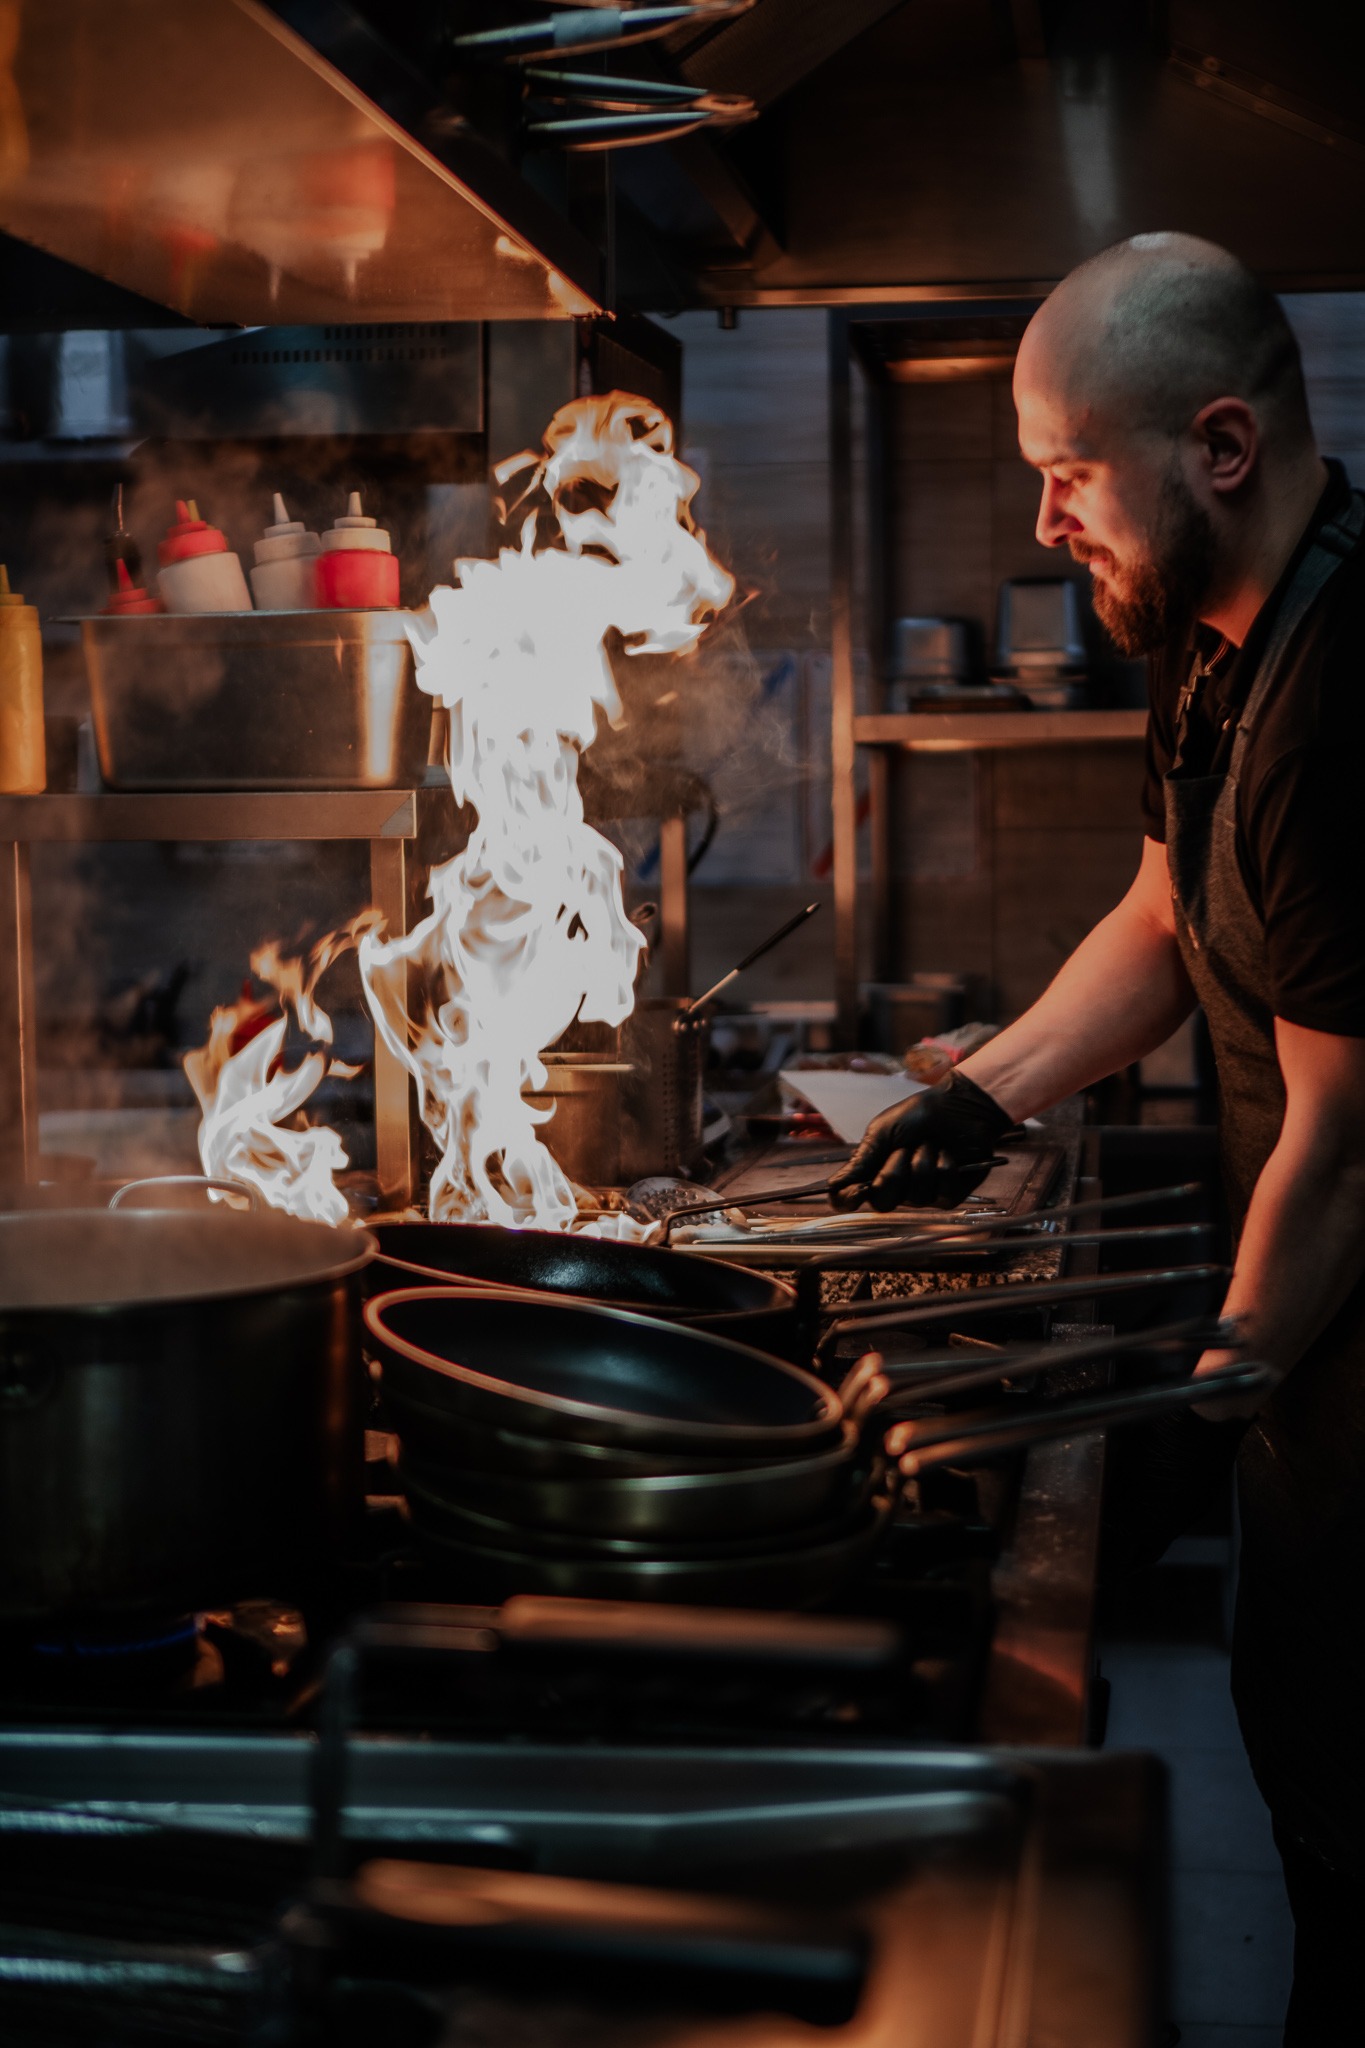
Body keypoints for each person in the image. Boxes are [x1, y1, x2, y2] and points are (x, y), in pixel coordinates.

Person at [829, 231, 1365, 2044]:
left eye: (1069, 478)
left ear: (1218, 447)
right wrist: (979, 1093)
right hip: (1314, 1354)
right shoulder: (1218, 641)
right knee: (1306, 1778)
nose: (1047, 525)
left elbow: (1348, 1146)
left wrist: (1195, 1401)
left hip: (1361, 1363)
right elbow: (1157, 917)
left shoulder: (1343, 706)